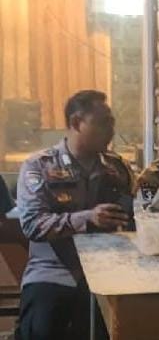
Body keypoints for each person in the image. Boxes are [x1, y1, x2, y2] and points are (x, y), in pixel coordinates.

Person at [16, 90, 134, 340]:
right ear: (76, 123)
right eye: (103, 123)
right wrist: (87, 218)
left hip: (107, 271)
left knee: (122, 327)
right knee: (41, 328)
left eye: (112, 123)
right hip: (53, 271)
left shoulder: (116, 168)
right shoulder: (39, 166)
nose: (111, 130)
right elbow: (32, 224)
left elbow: (133, 216)